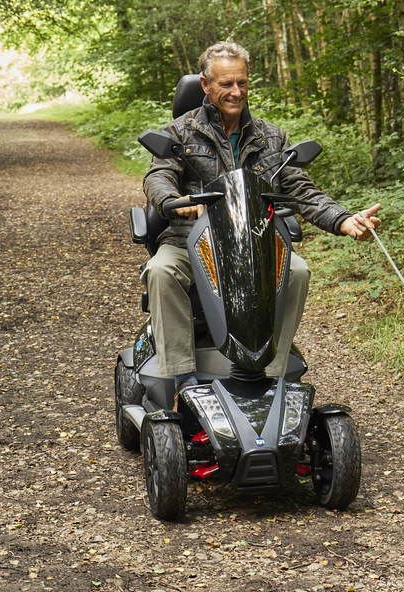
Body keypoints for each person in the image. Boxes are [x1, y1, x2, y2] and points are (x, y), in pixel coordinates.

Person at [142, 40, 381, 392]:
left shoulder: (271, 137)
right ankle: (181, 379)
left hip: (255, 242)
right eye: (226, 83)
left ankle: (272, 374)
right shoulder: (178, 132)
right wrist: (175, 200)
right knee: (162, 270)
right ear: (206, 85)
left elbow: (301, 190)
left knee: (297, 270)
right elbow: (158, 176)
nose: (236, 92)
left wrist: (343, 220)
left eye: (242, 82)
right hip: (193, 240)